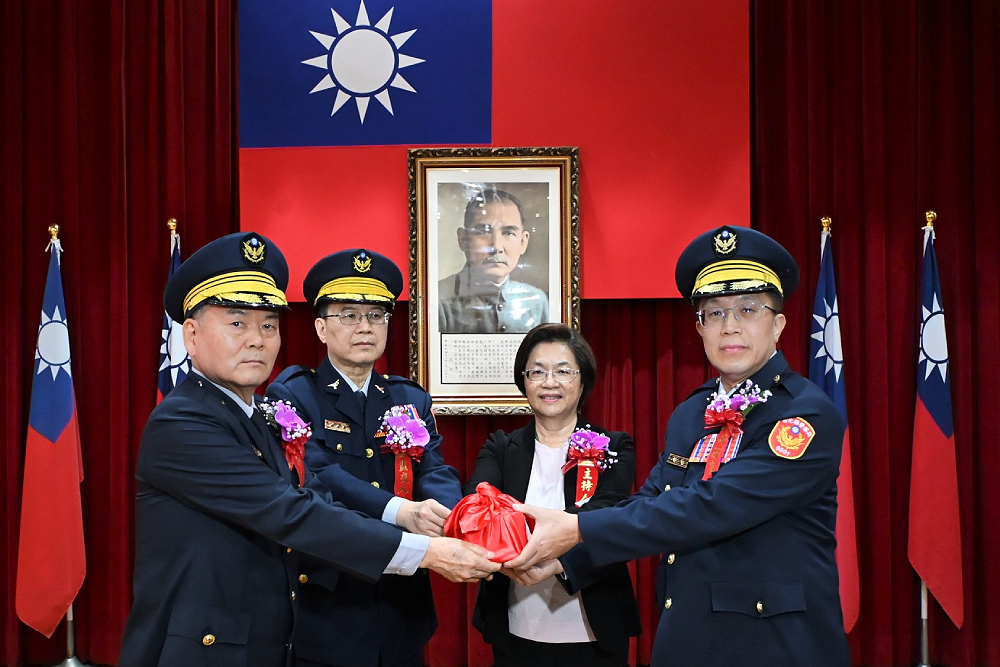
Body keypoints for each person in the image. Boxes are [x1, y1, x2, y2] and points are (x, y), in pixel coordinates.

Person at [120, 233, 499, 667]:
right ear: (191, 335)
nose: (256, 340)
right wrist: (426, 552)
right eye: (237, 323)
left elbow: (314, 495)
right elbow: (291, 513)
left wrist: (435, 524)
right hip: (204, 649)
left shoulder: (261, 416)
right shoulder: (183, 422)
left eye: (268, 325)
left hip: (268, 642)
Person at [505, 226, 851, 667]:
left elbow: (712, 505)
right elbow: (654, 499)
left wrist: (577, 528)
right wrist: (565, 560)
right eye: (714, 313)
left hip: (773, 644)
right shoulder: (692, 412)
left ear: (778, 324)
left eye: (748, 309)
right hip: (688, 636)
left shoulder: (804, 416)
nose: (730, 326)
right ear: (700, 328)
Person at [265, 248, 463, 667]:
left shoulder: (408, 398)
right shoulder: (294, 394)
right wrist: (400, 511)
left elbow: (434, 468)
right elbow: (316, 472)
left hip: (401, 605)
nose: (365, 327)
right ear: (321, 328)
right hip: (330, 602)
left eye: (376, 315)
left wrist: (448, 516)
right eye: (349, 315)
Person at [465, 323, 640, 667]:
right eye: (537, 372)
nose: (549, 382)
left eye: (563, 371)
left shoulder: (614, 446)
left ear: (583, 380)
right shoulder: (500, 447)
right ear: (524, 381)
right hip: (514, 627)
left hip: (595, 630)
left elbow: (609, 516)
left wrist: (553, 563)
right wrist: (512, 558)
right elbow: (480, 506)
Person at [438, 186, 549, 333]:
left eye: (508, 233)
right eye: (483, 232)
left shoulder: (537, 301)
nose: (496, 247)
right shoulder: (438, 299)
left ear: (523, 242)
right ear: (463, 239)